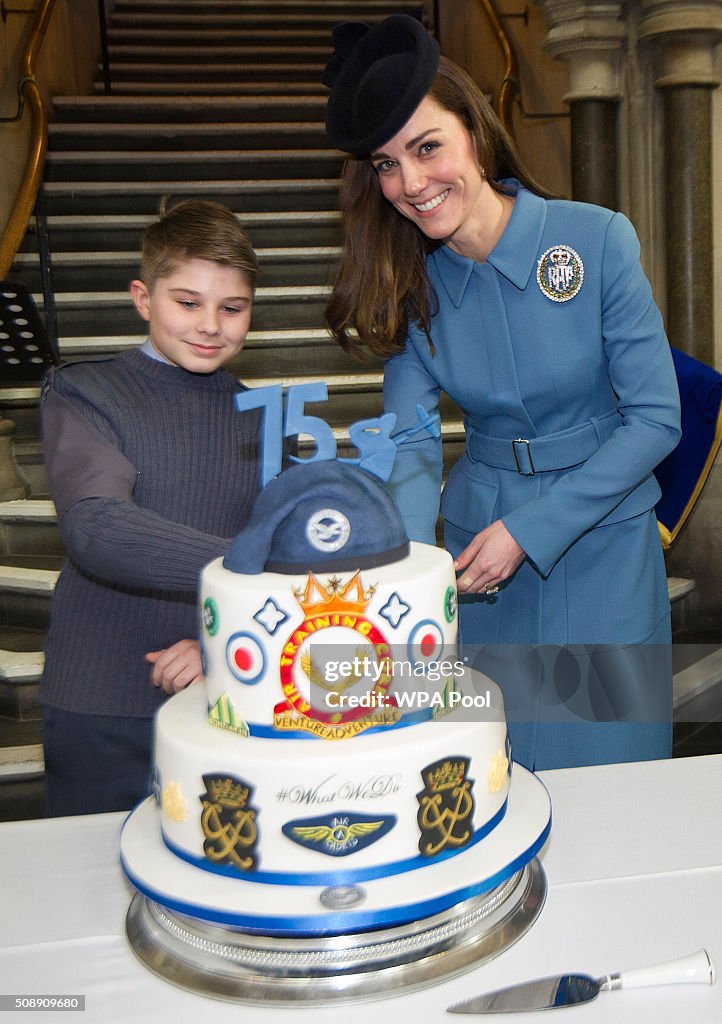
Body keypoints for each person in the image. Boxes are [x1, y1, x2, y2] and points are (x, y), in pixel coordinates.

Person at [322, 15, 682, 770]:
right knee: (493, 775)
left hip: (602, 545)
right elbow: (412, 444)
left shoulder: (596, 240)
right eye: (386, 166)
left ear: (476, 136)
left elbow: (654, 420)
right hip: (480, 566)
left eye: (427, 148)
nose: (411, 184)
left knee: (611, 773)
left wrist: (531, 530)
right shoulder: (410, 286)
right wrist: (416, 575)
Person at [39, 199, 261, 815]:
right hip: (103, 702)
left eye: (232, 307)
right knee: (93, 893)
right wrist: (247, 569)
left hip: (229, 690)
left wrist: (214, 638)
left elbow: (295, 557)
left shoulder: (269, 418)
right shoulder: (83, 390)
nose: (210, 324)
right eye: (187, 302)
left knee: (217, 892)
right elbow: (97, 525)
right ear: (143, 298)